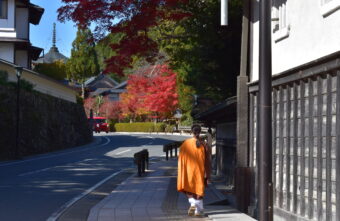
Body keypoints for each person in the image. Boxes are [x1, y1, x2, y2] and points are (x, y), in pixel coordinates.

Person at [177, 124, 211, 217]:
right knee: (199, 190)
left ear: (192, 132)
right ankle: (198, 211)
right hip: (200, 171)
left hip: (188, 171)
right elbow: (208, 160)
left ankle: (192, 204)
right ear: (200, 132)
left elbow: (180, 158)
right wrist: (208, 174)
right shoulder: (204, 144)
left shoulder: (185, 143)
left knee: (189, 189)